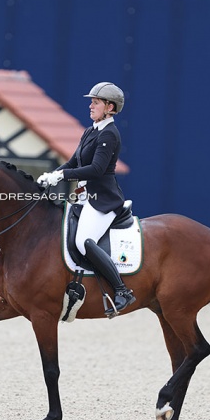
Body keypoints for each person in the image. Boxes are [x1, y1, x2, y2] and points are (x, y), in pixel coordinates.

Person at [37, 82, 135, 316]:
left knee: (83, 241)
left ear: (110, 107)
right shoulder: (91, 130)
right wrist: (53, 175)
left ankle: (122, 290)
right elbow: (74, 163)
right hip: (84, 197)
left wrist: (63, 175)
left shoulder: (110, 134)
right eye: (91, 101)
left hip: (102, 200)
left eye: (96, 102)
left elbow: (96, 169)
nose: (90, 106)